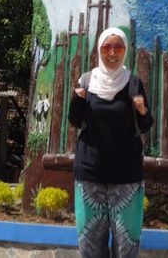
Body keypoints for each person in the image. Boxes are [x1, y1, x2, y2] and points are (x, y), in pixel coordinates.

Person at [69, 27, 153, 258]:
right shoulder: (87, 81)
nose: (112, 53)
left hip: (126, 177)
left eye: (118, 47)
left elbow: (146, 125)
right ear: (99, 50)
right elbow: (75, 121)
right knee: (90, 246)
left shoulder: (133, 83)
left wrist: (142, 110)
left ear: (125, 50)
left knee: (127, 245)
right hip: (90, 174)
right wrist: (77, 100)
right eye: (107, 47)